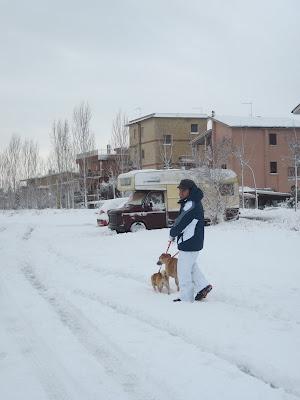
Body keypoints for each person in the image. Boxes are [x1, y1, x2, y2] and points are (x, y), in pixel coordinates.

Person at [169, 179, 212, 302]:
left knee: (183, 271)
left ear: (190, 191)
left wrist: (172, 233)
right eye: (180, 190)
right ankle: (203, 286)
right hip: (192, 242)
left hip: (190, 243)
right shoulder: (191, 202)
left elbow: (181, 221)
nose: (180, 193)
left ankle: (186, 299)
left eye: (183, 190)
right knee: (191, 266)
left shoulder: (191, 204)